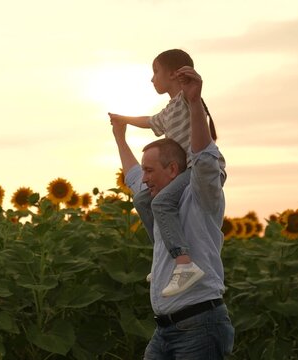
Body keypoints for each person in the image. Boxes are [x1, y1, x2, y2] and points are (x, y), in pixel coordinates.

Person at [111, 65, 234, 358]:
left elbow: (204, 159)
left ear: (173, 169)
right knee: (149, 202)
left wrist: (193, 103)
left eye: (150, 171)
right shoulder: (158, 201)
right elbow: (132, 176)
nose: (144, 178)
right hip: (164, 331)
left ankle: (183, 262)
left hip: (199, 326)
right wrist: (120, 137)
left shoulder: (199, 195)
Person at [109, 49, 222, 297]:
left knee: (160, 202)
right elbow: (150, 121)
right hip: (181, 172)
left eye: (155, 72)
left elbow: (198, 118)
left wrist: (193, 94)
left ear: (173, 73)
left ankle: (183, 263)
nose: (152, 79)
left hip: (194, 168)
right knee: (142, 199)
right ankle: (167, 255)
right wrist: (123, 120)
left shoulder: (186, 99)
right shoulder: (170, 110)